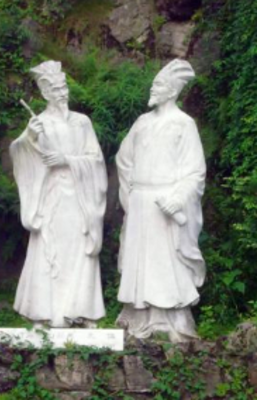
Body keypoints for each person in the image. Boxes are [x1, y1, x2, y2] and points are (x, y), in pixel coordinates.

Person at [11, 60, 107, 328]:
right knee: (47, 251)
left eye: (64, 87)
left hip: (78, 196)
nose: (63, 92)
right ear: (44, 93)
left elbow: (96, 160)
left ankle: (79, 311)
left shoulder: (82, 122)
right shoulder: (39, 123)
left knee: (79, 251)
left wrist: (67, 159)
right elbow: (20, 153)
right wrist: (30, 139)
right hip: (51, 195)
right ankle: (42, 312)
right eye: (56, 89)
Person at [115, 59, 206, 342]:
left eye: (158, 85)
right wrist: (132, 192)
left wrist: (178, 198)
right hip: (141, 202)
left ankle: (169, 319)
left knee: (165, 260)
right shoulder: (142, 123)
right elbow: (123, 158)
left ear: (172, 91)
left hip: (166, 204)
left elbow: (195, 171)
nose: (153, 89)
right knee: (140, 260)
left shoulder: (183, 124)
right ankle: (138, 317)